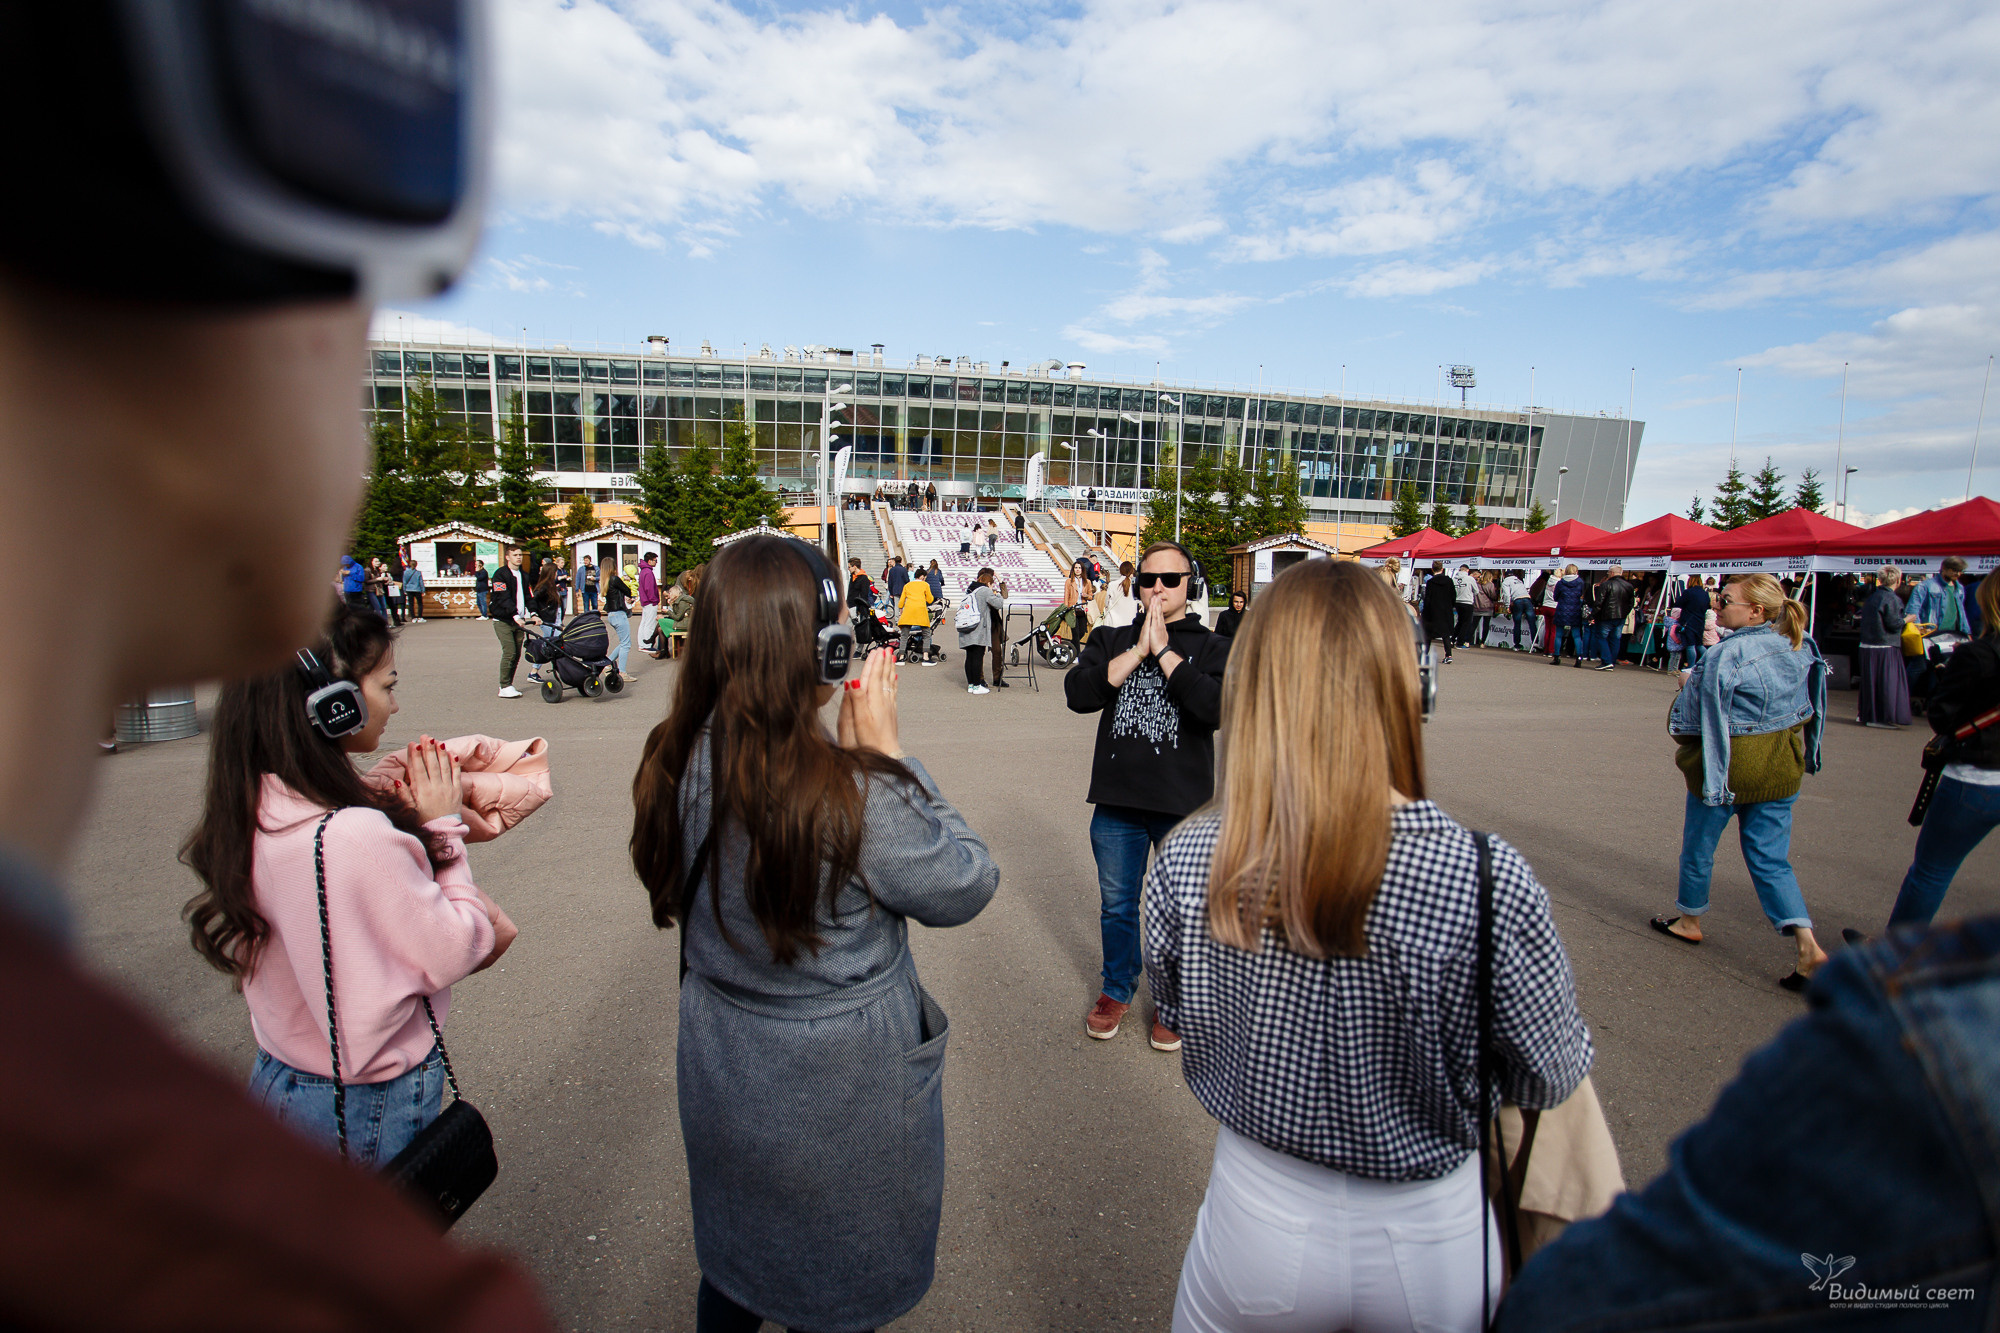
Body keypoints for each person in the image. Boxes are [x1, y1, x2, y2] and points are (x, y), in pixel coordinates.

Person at [0, 0, 554, 1316]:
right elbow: (450, 937)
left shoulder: (256, 801)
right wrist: (440, 837)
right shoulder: (295, 1278)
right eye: (380, 222)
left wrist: (430, 793)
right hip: (380, 1107)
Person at [1145, 559, 1592, 1333]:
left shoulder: (1190, 855)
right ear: (1406, 686)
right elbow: (1546, 1073)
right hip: (1431, 1229)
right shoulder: (1483, 874)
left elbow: (1178, 1004)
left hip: (1258, 1204)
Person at [630, 536, 998, 1333]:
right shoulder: (854, 790)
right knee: (836, 1285)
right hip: (842, 1088)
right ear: (824, 649)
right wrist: (892, 755)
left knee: (736, 1264)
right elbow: (967, 880)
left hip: (726, 1057)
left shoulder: (675, 754)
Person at [182, 603, 518, 1164]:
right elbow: (460, 946)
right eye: (386, 685)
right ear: (334, 707)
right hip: (365, 1102)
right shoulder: (353, 835)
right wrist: (443, 829)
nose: (394, 702)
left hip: (284, 1075)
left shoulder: (256, 805)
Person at [1065, 542, 1232, 1049]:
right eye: (1147, 578)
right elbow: (1079, 694)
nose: (1157, 587)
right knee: (1117, 906)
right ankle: (1116, 989)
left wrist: (1163, 653)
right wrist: (1138, 649)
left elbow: (1215, 709)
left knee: (1182, 909)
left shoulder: (1212, 646)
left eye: (1171, 579)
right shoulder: (1113, 637)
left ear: (1191, 585)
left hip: (1183, 805)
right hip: (1117, 802)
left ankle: (1174, 1000)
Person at [1651, 574, 1829, 990]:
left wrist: (1686, 683)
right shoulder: (1798, 644)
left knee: (1699, 845)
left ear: (1756, 610)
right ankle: (1807, 944)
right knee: (1771, 858)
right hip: (1782, 765)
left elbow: (1691, 723)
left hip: (1728, 764)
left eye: (1726, 600)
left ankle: (1689, 919)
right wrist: (1812, 752)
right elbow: (1813, 705)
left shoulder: (1724, 655)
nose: (1718, 605)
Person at [1878, 570, 2000, 929]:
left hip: (1975, 777)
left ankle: (1896, 958)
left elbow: (1943, 718)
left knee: (1931, 871)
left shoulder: (1978, 654)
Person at [1856, 564, 1911, 729]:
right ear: (1898, 580)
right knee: (1887, 683)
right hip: (1885, 646)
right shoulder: (1893, 599)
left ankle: (1868, 714)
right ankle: (1881, 717)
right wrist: (1908, 619)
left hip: (1867, 645)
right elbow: (1894, 624)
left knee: (1870, 683)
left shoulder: (1872, 597)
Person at [957, 567, 1007, 695]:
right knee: (978, 657)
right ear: (989, 583)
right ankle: (978, 684)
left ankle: (971, 685)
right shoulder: (985, 591)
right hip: (979, 628)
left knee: (970, 657)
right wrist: (995, 593)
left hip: (968, 626)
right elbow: (999, 603)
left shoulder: (971, 590)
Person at [491, 547, 532, 699]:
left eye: (520, 555)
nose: (518, 558)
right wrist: (515, 615)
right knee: (509, 651)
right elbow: (503, 597)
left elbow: (528, 596)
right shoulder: (500, 575)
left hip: (518, 621)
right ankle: (504, 685)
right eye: (515, 555)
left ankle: (509, 684)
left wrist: (534, 613)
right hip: (503, 620)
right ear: (508, 557)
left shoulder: (524, 575)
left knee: (517, 654)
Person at [1905, 555, 1978, 638]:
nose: (1958, 574)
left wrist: (1967, 632)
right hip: (1932, 633)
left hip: (1955, 634)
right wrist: (1920, 628)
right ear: (1944, 568)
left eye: (1960, 571)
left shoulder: (1959, 588)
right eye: (1954, 570)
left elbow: (1961, 612)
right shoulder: (1925, 586)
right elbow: (1912, 610)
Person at [1589, 564, 1636, 671]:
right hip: (1620, 616)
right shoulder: (1628, 586)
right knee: (1615, 639)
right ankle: (1611, 661)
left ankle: (1607, 661)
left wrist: (1593, 615)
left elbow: (1599, 602)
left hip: (1606, 616)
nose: (1608, 574)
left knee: (1601, 637)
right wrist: (1624, 613)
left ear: (1612, 573)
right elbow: (1631, 603)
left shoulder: (1606, 585)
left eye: (1609, 572)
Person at [1548, 564, 1589, 666]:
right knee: (1576, 635)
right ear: (1576, 571)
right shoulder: (1580, 582)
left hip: (1562, 609)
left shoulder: (1560, 583)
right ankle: (1579, 658)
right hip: (1575, 609)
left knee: (1558, 635)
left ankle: (1556, 657)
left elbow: (1556, 597)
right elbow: (1582, 595)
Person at [1421, 562, 1458, 665]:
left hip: (1433, 611)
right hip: (1446, 611)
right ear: (1442, 569)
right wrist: (1450, 605)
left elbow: (1427, 598)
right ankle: (1448, 655)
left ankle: (1424, 655)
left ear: (1432, 569)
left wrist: (1425, 611)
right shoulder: (1449, 581)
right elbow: (1453, 596)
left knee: (1428, 634)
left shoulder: (1431, 582)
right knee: (1445, 635)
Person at [602, 562, 634, 680]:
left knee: (623, 643)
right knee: (626, 644)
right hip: (619, 613)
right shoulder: (615, 579)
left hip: (611, 614)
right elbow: (627, 590)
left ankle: (607, 664)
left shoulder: (604, 581)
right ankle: (622, 672)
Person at [898, 567, 935, 665]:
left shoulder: (907, 585)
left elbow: (901, 602)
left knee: (904, 635)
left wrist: (901, 609)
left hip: (908, 612)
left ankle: (901, 658)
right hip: (921, 612)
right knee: (926, 634)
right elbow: (930, 600)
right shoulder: (925, 585)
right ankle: (926, 658)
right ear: (922, 576)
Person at [1674, 575, 1711, 672]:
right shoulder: (1705, 594)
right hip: (1700, 621)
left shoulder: (1688, 592)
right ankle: (1709, 661)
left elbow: (1678, 604)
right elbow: (1708, 607)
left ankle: (1691, 666)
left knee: (1690, 645)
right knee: (1699, 644)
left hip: (1689, 621)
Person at [1501, 568, 1534, 652]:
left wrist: (1507, 606)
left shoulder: (1505, 582)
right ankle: (1534, 644)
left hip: (1517, 601)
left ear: (1505, 575)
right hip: (1527, 599)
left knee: (1517, 623)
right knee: (1532, 623)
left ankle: (1517, 645)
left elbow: (1507, 595)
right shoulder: (1519, 580)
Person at [1065, 558, 1094, 651]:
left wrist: (1086, 595)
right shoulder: (1069, 581)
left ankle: (1069, 648)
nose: (1077, 569)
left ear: (1082, 570)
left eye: (1079, 568)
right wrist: (1066, 608)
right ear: (1073, 569)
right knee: (1075, 633)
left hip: (1082, 609)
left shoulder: (1087, 582)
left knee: (1082, 632)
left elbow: (1091, 596)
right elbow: (1066, 595)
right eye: (1076, 568)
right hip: (1072, 609)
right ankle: (1077, 654)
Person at [1102, 560, 1140, 631]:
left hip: (1113, 622)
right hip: (1129, 623)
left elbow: (1106, 602)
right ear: (1132, 571)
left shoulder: (1112, 585)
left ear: (1120, 571)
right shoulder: (1133, 587)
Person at [1452, 563, 1478, 650]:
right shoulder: (1470, 579)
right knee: (1466, 623)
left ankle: (1452, 639)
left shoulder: (1454, 579)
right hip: (1467, 602)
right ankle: (1459, 642)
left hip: (1457, 601)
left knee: (1460, 621)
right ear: (1467, 570)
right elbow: (1476, 591)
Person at [1471, 571, 1497, 648]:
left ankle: (1467, 641)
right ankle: (1482, 642)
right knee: (1485, 625)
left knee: (1474, 624)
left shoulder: (1477, 584)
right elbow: (1493, 596)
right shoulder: (1490, 585)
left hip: (1477, 606)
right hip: (1487, 607)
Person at [401, 557, 427, 623]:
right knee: (420, 603)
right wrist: (423, 590)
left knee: (411, 604)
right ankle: (420, 617)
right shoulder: (418, 573)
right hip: (417, 589)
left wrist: (404, 590)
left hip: (409, 589)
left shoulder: (405, 572)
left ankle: (413, 618)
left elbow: (404, 582)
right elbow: (421, 582)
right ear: (416, 565)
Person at [383, 559, 406, 627]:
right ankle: (400, 618)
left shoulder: (391, 571)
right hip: (396, 587)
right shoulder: (401, 570)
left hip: (391, 589)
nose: (386, 567)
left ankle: (396, 620)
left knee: (393, 605)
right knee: (401, 603)